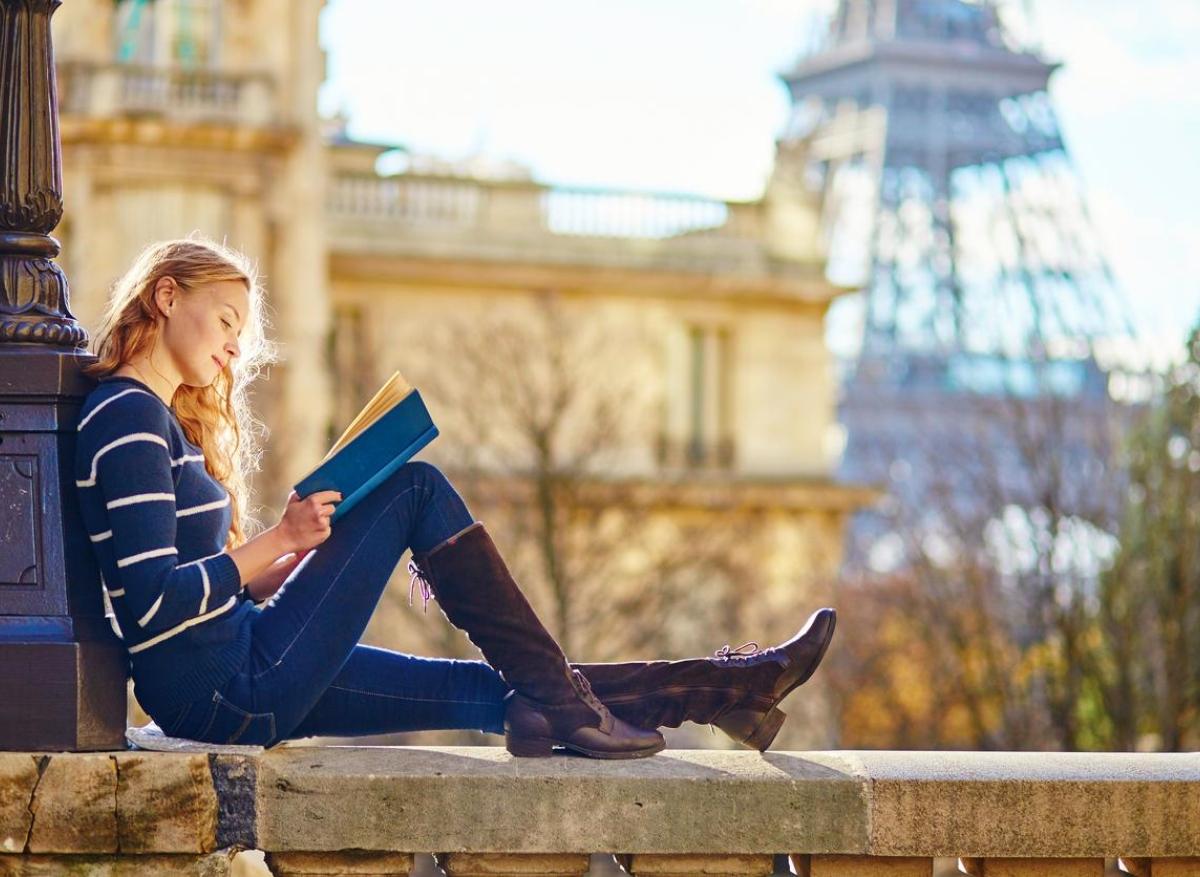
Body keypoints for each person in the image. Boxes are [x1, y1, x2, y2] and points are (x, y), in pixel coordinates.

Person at [74, 235, 837, 759]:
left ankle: (724, 688)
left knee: (499, 691)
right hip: (223, 686)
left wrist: (289, 560)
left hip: (235, 667)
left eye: (242, 330)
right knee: (412, 485)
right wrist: (280, 538)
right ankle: (608, 701)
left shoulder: (151, 420)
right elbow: (152, 605)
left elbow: (193, 587)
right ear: (166, 296)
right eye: (228, 320)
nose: (236, 346)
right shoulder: (128, 416)